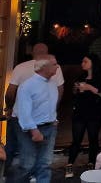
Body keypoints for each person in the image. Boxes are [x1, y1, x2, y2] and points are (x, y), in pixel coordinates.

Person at [4, 43, 65, 165]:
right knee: (40, 160)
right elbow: (60, 91)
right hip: (36, 121)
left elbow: (10, 93)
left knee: (13, 148)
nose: (56, 66)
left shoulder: (20, 67)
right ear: (46, 53)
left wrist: (9, 108)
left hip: (19, 117)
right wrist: (52, 113)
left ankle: (4, 172)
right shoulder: (54, 70)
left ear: (32, 52)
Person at [8, 55, 59, 183]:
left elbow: (49, 105)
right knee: (27, 164)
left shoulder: (53, 84)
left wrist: (54, 120)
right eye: (54, 64)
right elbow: (24, 112)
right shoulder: (27, 86)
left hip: (49, 127)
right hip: (29, 129)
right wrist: (34, 130)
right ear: (43, 67)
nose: (57, 66)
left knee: (45, 164)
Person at [65, 54, 101, 178]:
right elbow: (74, 94)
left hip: (95, 112)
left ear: (93, 63)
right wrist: (76, 89)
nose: (82, 63)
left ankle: (91, 163)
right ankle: (70, 164)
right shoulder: (81, 76)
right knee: (76, 139)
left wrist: (89, 87)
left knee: (93, 138)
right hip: (80, 112)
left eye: (85, 61)